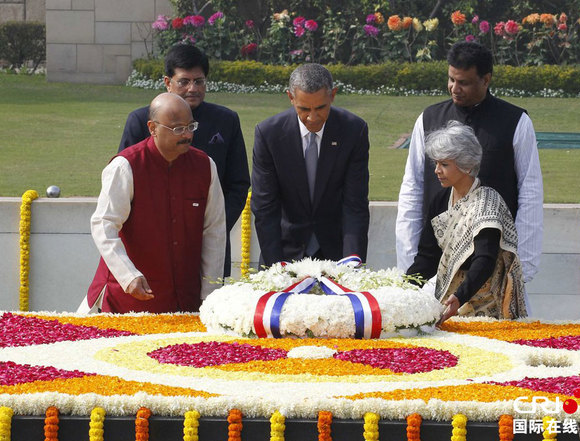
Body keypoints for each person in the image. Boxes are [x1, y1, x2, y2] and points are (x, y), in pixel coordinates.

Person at [396, 41, 543, 312]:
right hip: (436, 275)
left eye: (463, 82)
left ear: (486, 80)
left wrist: (526, 264)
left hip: (493, 279)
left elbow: (530, 190)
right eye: (451, 79)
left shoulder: (516, 122)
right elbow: (412, 187)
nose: (454, 88)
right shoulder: (428, 118)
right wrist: (407, 266)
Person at [87, 93, 226, 313]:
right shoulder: (125, 167)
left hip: (187, 300)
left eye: (191, 126)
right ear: (152, 128)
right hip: (130, 300)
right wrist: (128, 275)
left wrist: (211, 295)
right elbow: (104, 225)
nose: (187, 134)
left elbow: (215, 233)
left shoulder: (205, 166)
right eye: (178, 129)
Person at [119, 44, 249, 277]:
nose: (193, 88)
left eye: (199, 81)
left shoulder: (226, 121)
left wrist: (212, 229)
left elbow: (238, 184)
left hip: (208, 245)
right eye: (184, 81)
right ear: (167, 82)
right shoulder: (141, 121)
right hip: (151, 247)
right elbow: (125, 185)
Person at [407, 121, 527, 323]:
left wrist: (461, 296)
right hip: (449, 301)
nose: (437, 170)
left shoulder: (486, 203)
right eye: (436, 163)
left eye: (444, 164)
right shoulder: (440, 200)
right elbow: (427, 257)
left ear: (467, 165)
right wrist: (403, 288)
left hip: (487, 305)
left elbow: (484, 259)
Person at [251, 63, 370, 266]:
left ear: (333, 95)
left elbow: (355, 204)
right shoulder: (269, 134)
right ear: (290, 97)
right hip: (283, 253)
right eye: (304, 109)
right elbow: (265, 208)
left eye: (321, 108)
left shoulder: (353, 130)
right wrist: (275, 268)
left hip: (337, 253)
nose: (312, 118)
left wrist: (352, 263)